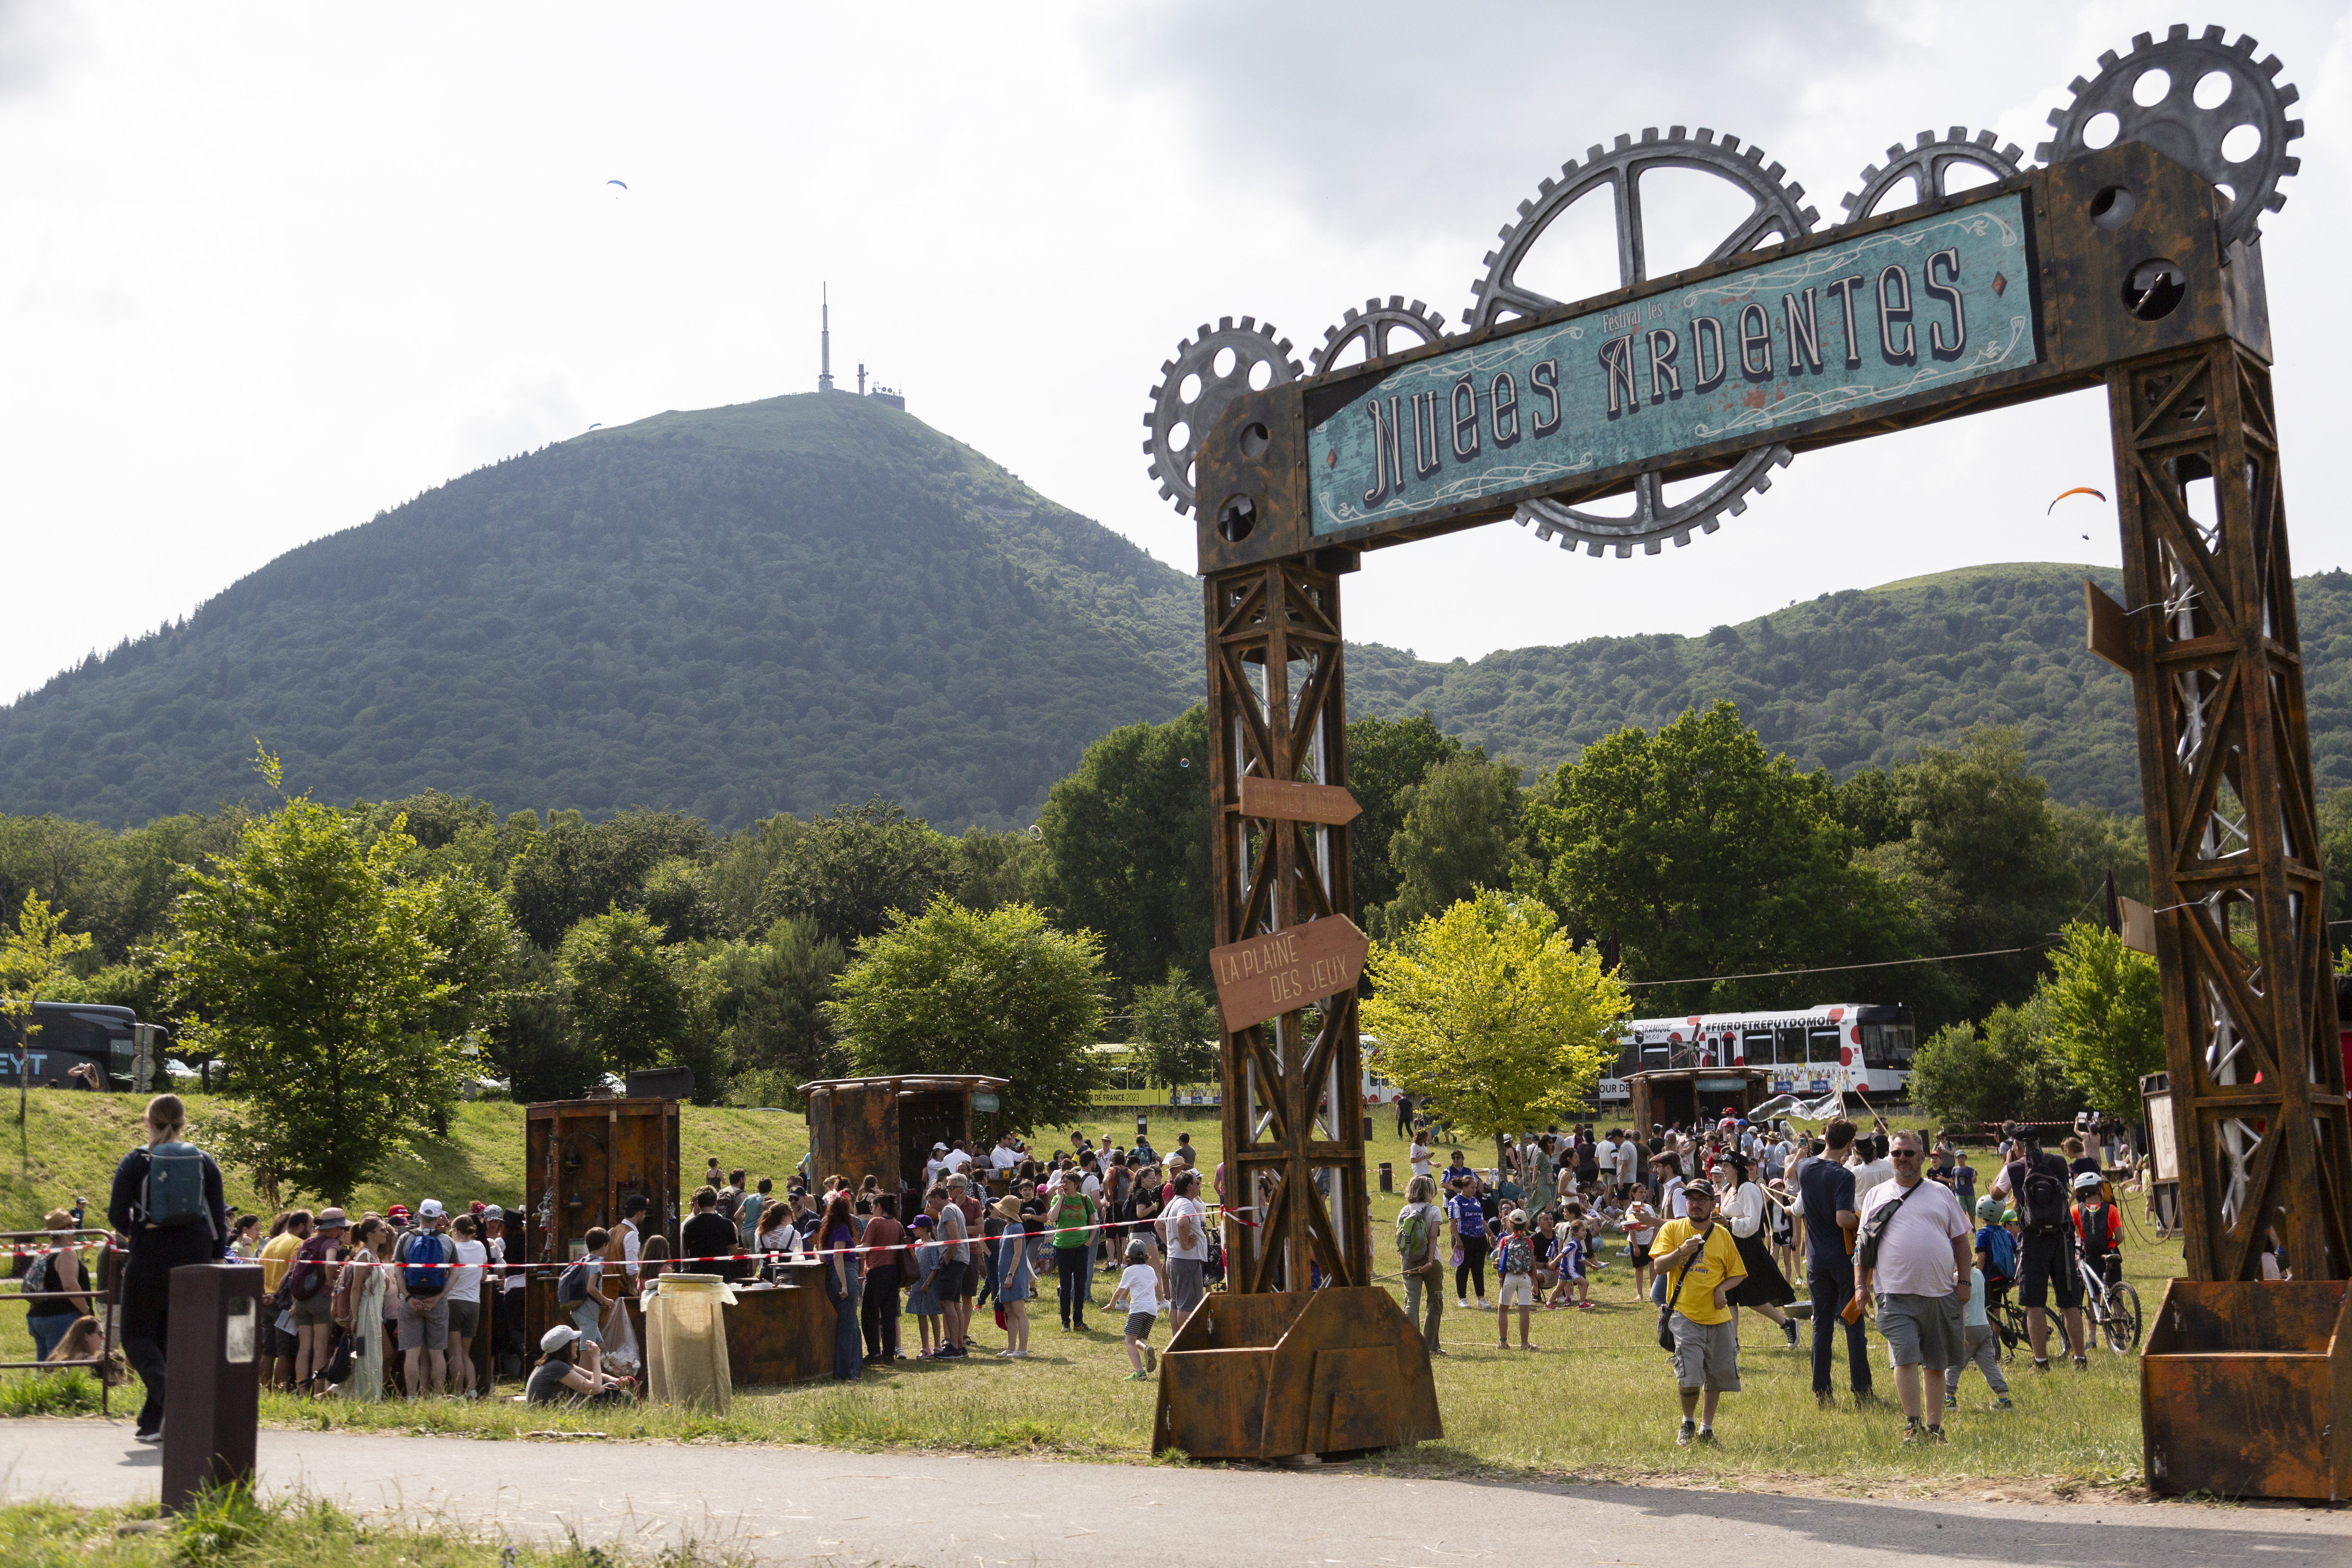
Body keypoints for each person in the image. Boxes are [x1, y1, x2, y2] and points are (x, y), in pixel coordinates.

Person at [108, 1094, 228, 1444]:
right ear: (182, 1123)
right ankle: (152, 1424)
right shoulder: (203, 1161)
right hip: (196, 1253)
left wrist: (141, 1229)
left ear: (148, 1122)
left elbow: (117, 1215)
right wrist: (217, 1256)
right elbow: (218, 1216)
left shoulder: (137, 1161)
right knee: (169, 1338)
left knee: (135, 1335)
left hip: (150, 1253)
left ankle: (172, 1396)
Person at [1856, 1130, 1973, 1443]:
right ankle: (1912, 1426)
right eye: (1896, 1154)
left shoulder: (1942, 1193)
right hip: (1893, 1293)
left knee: (1935, 1363)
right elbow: (1862, 1247)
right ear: (1889, 1158)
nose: (1903, 1159)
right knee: (1905, 1356)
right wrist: (1860, 1286)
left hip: (1939, 1292)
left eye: (1909, 1153)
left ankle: (1934, 1429)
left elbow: (1961, 1242)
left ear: (1923, 1157)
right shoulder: (1876, 1195)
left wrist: (1964, 1281)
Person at [1650, 1180, 1746, 1446]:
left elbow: (1738, 1273)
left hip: (1719, 1317)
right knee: (1690, 1375)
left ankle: (1706, 1429)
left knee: (1716, 1376)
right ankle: (1687, 1423)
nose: (1696, 1204)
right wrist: (1680, 1253)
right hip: (1684, 1314)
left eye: (1702, 1199)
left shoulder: (1723, 1236)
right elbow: (1658, 1267)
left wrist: (1721, 1289)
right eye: (1691, 1199)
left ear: (1713, 1205)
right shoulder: (1672, 1229)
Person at [1994, 1126, 2086, 1370]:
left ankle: (2041, 1362)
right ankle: (2080, 1359)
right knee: (2069, 1302)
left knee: (2034, 1303)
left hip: (2033, 1240)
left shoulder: (2014, 1168)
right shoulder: (2058, 1162)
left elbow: (1995, 1194)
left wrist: (2007, 1162)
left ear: (2017, 1146)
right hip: (2062, 1237)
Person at [1800, 1117, 1873, 1408]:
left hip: (1816, 1259)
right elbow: (1842, 1218)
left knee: (1821, 1327)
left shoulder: (1805, 1167)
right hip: (1843, 1260)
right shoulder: (1843, 1175)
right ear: (1849, 1145)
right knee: (1853, 1324)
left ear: (1825, 1135)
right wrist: (1864, 1217)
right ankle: (1862, 1392)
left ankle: (1822, 1393)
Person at [1718, 1154, 1800, 1348]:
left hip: (1748, 1247)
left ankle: (1787, 1324)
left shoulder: (1749, 1189)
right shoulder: (1726, 1190)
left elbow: (1753, 1223)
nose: (1722, 1169)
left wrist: (1729, 1223)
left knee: (1752, 1296)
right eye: (1722, 1166)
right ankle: (1733, 1343)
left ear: (1737, 1169)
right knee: (1730, 1295)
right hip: (1731, 1245)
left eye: (1726, 1166)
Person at [394, 1200, 454, 1397]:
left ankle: (412, 1397)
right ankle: (437, 1397)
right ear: (439, 1219)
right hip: (436, 1302)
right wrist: (438, 1298)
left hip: (411, 1301)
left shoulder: (405, 1238)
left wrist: (409, 1297)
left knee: (411, 1354)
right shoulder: (447, 1241)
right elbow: (455, 1274)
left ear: (419, 1215)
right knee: (437, 1353)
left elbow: (398, 1272)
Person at [17, 1209, 93, 1364]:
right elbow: (70, 1286)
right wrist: (87, 1312)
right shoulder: (67, 1252)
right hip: (59, 1318)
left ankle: (39, 1388)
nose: (76, 1229)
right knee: (59, 1369)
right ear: (65, 1229)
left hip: (38, 1317)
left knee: (44, 1367)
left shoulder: (46, 1250)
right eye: (72, 1226)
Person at [288, 1207, 350, 1396]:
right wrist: (330, 1281)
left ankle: (301, 1391)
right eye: (341, 1228)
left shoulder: (306, 1242)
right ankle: (317, 1391)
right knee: (321, 1346)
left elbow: (294, 1270)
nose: (342, 1232)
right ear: (335, 1227)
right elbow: (331, 1263)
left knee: (304, 1346)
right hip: (321, 1298)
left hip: (301, 1300)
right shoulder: (331, 1242)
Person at [340, 1216, 394, 1400]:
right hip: (366, 1312)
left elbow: (384, 1286)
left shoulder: (375, 1256)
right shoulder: (364, 1256)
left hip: (375, 1312)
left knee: (375, 1356)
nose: (386, 1233)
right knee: (366, 1356)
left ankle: (371, 1396)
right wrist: (355, 1317)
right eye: (382, 1230)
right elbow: (355, 1288)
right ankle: (366, 1397)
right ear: (370, 1235)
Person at [258, 1210, 310, 1391]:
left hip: (266, 1301)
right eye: (310, 1226)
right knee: (284, 1352)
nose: (312, 1230)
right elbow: (292, 1272)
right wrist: (277, 1295)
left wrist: (265, 1294)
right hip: (282, 1302)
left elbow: (259, 1268)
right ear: (302, 1226)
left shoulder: (272, 1242)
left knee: (268, 1351)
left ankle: (264, 1389)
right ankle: (281, 1391)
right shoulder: (298, 1243)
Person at [1394, 1174, 1446, 1355]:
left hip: (1409, 1261)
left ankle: (1411, 1346)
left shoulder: (1404, 1210)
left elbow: (1400, 1239)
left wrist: (1405, 1260)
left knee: (1412, 1301)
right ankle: (1431, 1346)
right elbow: (1433, 1237)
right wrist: (1430, 1262)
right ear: (1430, 1191)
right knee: (1434, 1300)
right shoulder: (1434, 1210)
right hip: (1431, 1260)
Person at [527, 1323, 632, 1406]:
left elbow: (593, 1376)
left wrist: (617, 1380)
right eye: (575, 1341)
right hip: (550, 1417)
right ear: (566, 1347)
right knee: (615, 1391)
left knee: (612, 1385)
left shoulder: (556, 1364)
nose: (578, 1344)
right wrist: (595, 1358)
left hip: (554, 1413)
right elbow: (595, 1389)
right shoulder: (556, 1366)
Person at [444, 1212, 487, 1398]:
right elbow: (484, 1276)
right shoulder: (481, 1247)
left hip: (454, 1302)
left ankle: (457, 1393)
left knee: (454, 1354)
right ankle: (473, 1391)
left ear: (454, 1231)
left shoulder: (453, 1249)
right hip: (474, 1304)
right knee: (465, 1354)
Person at [858, 1192, 904, 1364]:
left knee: (869, 1314)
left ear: (879, 1207)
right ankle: (889, 1354)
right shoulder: (897, 1224)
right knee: (888, 1315)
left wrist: (846, 1249)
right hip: (893, 1273)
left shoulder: (875, 1222)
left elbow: (865, 1249)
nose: (871, 1210)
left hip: (876, 1272)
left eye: (872, 1206)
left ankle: (874, 1353)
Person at [1109, 1238, 1161, 1381]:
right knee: (1137, 1338)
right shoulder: (1150, 1269)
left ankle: (1140, 1372)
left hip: (1138, 1310)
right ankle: (1146, 1348)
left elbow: (1120, 1292)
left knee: (1129, 1341)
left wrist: (1111, 1304)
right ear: (1145, 1256)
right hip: (1152, 1311)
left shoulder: (1130, 1271)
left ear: (1128, 1257)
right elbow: (1157, 1286)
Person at [1160, 1169, 1209, 1321]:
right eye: (1197, 1183)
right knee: (1189, 1307)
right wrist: (1185, 1245)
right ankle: (1187, 1343)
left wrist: (1172, 1245)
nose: (1199, 1185)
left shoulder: (1173, 1203)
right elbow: (1182, 1223)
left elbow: (1158, 1225)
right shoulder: (1186, 1204)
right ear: (1189, 1186)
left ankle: (1177, 1342)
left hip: (1174, 1260)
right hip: (1187, 1261)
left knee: (1176, 1305)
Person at [931, 1186, 971, 1358]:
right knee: (955, 1304)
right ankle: (961, 1346)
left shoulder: (948, 1210)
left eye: (932, 1201)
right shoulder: (955, 1208)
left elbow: (954, 1237)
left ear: (939, 1198)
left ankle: (954, 1346)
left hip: (954, 1261)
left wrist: (947, 1259)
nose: (931, 1205)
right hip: (960, 1260)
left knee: (947, 1303)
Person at [993, 1194, 1033, 1359]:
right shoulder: (1007, 1227)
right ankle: (1011, 1348)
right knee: (1009, 1312)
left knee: (1019, 1312)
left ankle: (1022, 1349)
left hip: (1014, 1276)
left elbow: (1018, 1254)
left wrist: (1010, 1275)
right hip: (1005, 1277)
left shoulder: (1017, 1228)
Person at [1492, 1209, 1539, 1348]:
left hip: (1509, 1278)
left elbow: (1500, 1262)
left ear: (1510, 1224)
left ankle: (1503, 1342)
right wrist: (1535, 1282)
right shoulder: (1529, 1242)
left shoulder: (1505, 1241)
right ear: (1526, 1225)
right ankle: (1524, 1343)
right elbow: (1533, 1264)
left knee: (1503, 1310)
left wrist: (1501, 1280)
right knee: (1524, 1311)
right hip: (1525, 1278)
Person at [2072, 1169, 2123, 1296]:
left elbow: (2077, 1235)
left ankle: (2094, 1316)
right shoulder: (2111, 1209)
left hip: (2090, 1255)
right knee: (2117, 1293)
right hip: (2110, 1253)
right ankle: (2121, 1314)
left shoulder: (2075, 1210)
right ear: (2098, 1189)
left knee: (2093, 1296)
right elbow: (2120, 1238)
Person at [679, 1185, 742, 1283]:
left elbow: (685, 1254)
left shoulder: (688, 1225)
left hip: (698, 1279)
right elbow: (733, 1250)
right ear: (716, 1203)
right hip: (721, 1278)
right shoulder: (727, 1224)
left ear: (698, 1203)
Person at [904, 1212, 945, 1357]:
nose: (914, 1230)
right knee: (920, 1315)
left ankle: (938, 1346)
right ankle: (925, 1348)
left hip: (930, 1285)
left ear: (925, 1229)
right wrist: (910, 1282)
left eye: (916, 1228)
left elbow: (935, 1266)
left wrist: (928, 1283)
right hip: (918, 1284)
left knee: (933, 1314)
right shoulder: (917, 1244)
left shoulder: (933, 1245)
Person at [1447, 1173, 1490, 1309]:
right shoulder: (1455, 1202)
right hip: (1464, 1238)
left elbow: (1482, 1221)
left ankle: (1481, 1298)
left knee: (1479, 1268)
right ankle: (1462, 1298)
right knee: (1464, 1268)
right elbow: (1452, 1223)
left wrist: (1492, 1235)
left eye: (1476, 1188)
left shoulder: (1476, 1201)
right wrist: (1458, 1240)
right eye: (1472, 1188)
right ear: (1464, 1187)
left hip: (1480, 1238)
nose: (1475, 1190)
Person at [1620, 1184, 1659, 1298]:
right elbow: (1631, 1228)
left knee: (1653, 1266)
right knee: (1639, 1267)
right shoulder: (1633, 1209)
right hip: (1637, 1242)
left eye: (1644, 1192)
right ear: (1633, 1194)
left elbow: (1656, 1224)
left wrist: (1653, 1240)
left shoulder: (1649, 1208)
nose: (1643, 1195)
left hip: (1650, 1241)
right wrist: (1636, 1247)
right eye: (1640, 1192)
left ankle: (1653, 1292)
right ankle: (1640, 1294)